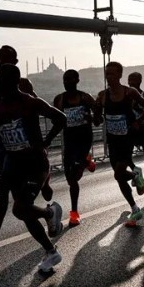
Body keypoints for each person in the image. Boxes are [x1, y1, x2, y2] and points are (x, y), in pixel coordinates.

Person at [0, 46, 49, 258]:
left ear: (15, 62)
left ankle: (48, 231)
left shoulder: (23, 85)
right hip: (2, 147)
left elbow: (34, 115)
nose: (2, 63)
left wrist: (44, 158)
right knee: (5, 194)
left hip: (24, 150)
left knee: (19, 203)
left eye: (7, 60)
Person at [0, 64, 66, 272]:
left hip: (35, 165)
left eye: (2, 80)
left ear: (12, 81)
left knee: (20, 208)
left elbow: (61, 118)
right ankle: (51, 251)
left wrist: (46, 141)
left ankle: (50, 214)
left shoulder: (30, 103)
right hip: (14, 166)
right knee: (25, 213)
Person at [94, 61, 144, 228]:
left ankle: (135, 175)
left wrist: (139, 122)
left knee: (118, 173)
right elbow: (97, 122)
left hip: (127, 138)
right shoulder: (103, 96)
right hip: (112, 140)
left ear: (120, 75)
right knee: (120, 178)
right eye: (107, 74)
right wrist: (95, 112)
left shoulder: (129, 92)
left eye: (112, 74)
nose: (109, 77)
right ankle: (134, 208)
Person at [53, 69, 100, 226]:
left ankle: (74, 212)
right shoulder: (59, 100)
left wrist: (91, 117)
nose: (67, 82)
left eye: (71, 79)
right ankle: (86, 162)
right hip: (69, 142)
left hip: (84, 140)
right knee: (70, 178)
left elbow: (98, 120)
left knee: (75, 176)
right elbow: (56, 122)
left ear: (77, 80)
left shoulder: (85, 97)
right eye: (65, 80)